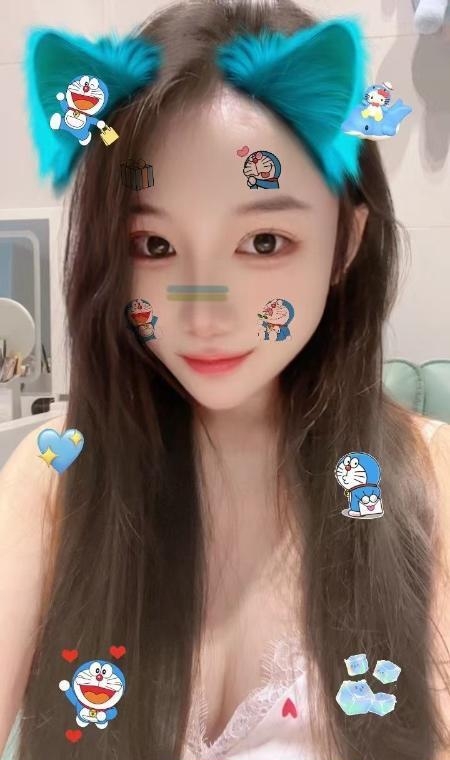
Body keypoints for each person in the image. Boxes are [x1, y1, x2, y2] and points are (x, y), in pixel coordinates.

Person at [1, 1, 449, 759]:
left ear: (345, 244)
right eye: (153, 244)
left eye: (264, 240)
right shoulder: (52, 479)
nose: (202, 312)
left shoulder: (430, 483)